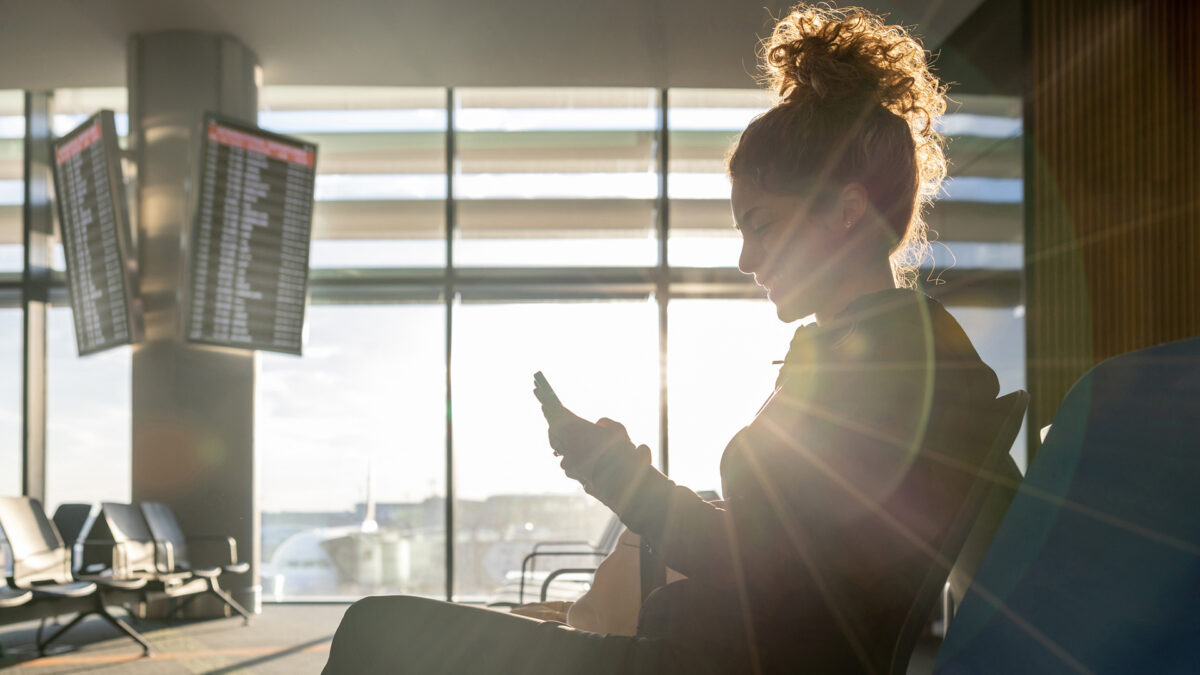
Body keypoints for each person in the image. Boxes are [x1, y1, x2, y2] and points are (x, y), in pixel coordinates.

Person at [323, 4, 1002, 673]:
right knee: (504, 623)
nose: (746, 258)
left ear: (846, 211)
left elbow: (757, 564)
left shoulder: (877, 369)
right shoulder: (903, 352)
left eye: (761, 224)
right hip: (722, 646)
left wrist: (623, 479)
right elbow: (798, 553)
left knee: (376, 628)